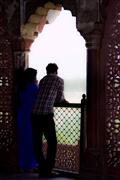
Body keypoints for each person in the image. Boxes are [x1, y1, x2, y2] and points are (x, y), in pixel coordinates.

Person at [31, 63, 68, 178]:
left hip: (34, 114)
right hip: (46, 115)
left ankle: (42, 167)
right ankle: (48, 170)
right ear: (56, 71)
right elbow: (59, 98)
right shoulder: (59, 80)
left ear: (47, 71)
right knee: (52, 143)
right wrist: (64, 101)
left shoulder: (42, 80)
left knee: (37, 143)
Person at [16, 67, 38, 172]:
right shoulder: (33, 87)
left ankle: (22, 165)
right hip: (30, 116)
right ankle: (30, 165)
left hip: (21, 115)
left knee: (22, 141)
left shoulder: (21, 86)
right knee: (30, 141)